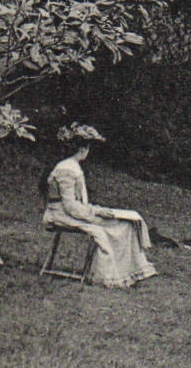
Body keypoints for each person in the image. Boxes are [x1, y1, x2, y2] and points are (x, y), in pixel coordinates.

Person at [41, 123, 158, 288]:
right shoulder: (66, 169)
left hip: (72, 212)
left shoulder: (71, 166)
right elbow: (69, 205)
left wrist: (98, 211)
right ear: (83, 149)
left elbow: (77, 204)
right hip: (59, 214)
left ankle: (128, 272)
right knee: (104, 229)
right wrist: (95, 214)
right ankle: (106, 276)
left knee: (126, 223)